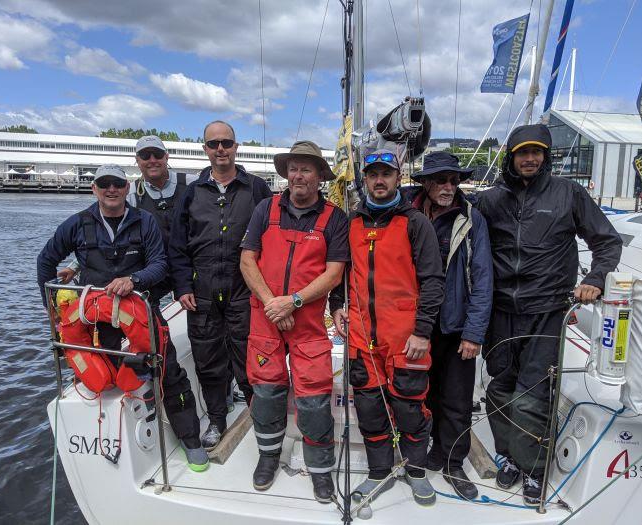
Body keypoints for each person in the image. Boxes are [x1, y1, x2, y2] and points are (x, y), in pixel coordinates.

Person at [476, 124, 622, 506]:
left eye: (536, 152)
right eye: (522, 152)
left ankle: (534, 469)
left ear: (546, 156)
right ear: (511, 156)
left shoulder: (568, 194)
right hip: (501, 311)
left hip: (548, 311)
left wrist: (595, 278)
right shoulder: (490, 201)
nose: (529, 159)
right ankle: (508, 456)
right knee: (500, 389)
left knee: (532, 396)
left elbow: (606, 241)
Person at [37, 164, 209, 471]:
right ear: (95, 189)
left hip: (142, 312)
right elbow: (46, 260)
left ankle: (191, 440)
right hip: (96, 322)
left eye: (117, 183)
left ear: (127, 188)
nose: (111, 189)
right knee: (99, 372)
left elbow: (160, 264)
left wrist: (135, 280)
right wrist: (53, 312)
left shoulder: (145, 222)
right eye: (104, 184)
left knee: (170, 373)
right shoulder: (77, 224)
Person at [330, 150, 445, 506]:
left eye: (386, 174)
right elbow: (339, 274)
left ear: (399, 177)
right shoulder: (350, 222)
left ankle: (415, 470)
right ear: (364, 179)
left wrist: (423, 331)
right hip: (362, 338)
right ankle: (379, 472)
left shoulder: (415, 223)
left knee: (411, 407)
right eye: (372, 174)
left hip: (405, 338)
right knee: (369, 409)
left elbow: (433, 280)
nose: (379, 180)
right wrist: (337, 307)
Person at [240, 140, 349, 502]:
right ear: (286, 172)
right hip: (266, 318)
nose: (298, 175)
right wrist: (274, 304)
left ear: (320, 175)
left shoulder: (334, 218)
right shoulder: (265, 209)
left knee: (315, 400)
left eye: (307, 168)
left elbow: (335, 273)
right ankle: (267, 458)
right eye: (294, 168)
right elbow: (247, 261)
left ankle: (320, 472)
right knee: (267, 393)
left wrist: (294, 301)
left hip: (308, 324)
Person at [169, 121, 272, 450]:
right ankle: (216, 417)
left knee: (250, 354)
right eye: (213, 144)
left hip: (245, 289)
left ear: (236, 146)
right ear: (205, 150)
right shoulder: (191, 193)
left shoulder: (256, 189)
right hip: (202, 292)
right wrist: (182, 285)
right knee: (208, 358)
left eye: (226, 142)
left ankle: (260, 411)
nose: (220, 149)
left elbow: (275, 238)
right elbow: (177, 246)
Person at [404, 151, 493, 500]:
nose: (448, 186)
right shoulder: (407, 214)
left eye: (454, 180)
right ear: (425, 184)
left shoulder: (472, 219)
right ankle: (432, 451)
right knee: (420, 394)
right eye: (441, 180)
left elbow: (483, 278)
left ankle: (453, 461)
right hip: (416, 326)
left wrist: (474, 332)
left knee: (456, 399)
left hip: (455, 325)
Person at [56, 134, 198, 297]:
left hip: (188, 266)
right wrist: (75, 266)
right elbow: (103, 237)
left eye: (157, 154)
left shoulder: (191, 184)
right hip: (153, 268)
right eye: (145, 156)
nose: (152, 160)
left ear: (166, 156)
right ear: (137, 161)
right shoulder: (129, 194)